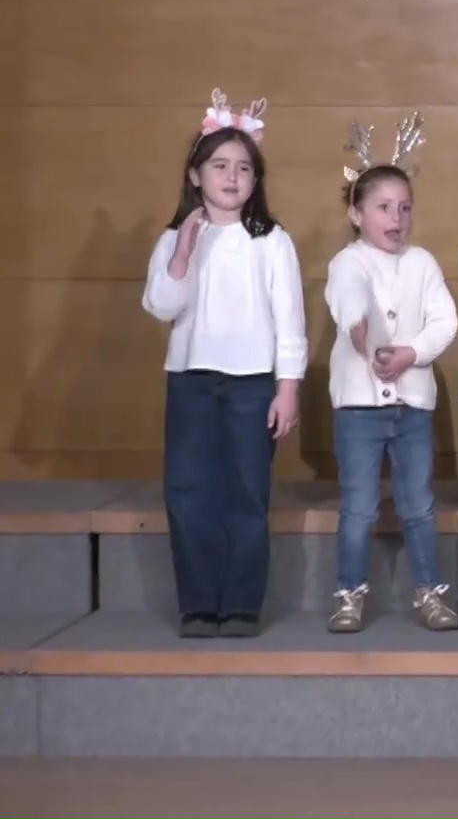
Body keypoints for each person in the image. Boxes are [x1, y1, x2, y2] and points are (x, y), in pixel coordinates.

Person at [141, 93, 306, 639]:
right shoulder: (175, 238)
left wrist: (288, 389)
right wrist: (184, 253)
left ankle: (239, 605)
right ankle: (197, 604)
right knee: (188, 491)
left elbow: (290, 322)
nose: (232, 178)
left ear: (255, 181)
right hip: (190, 381)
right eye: (219, 166)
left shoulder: (271, 241)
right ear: (195, 175)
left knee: (245, 492)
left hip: (252, 385)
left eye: (243, 169)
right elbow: (162, 305)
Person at [324, 155, 458, 633]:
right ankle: (349, 593)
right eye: (383, 207)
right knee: (359, 505)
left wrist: (412, 353)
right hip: (360, 409)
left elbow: (446, 321)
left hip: (411, 408)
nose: (395, 219)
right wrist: (358, 326)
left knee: (418, 504)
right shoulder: (348, 261)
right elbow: (348, 294)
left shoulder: (422, 263)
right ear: (356, 214)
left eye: (404, 208)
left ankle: (429, 591)